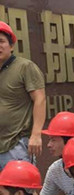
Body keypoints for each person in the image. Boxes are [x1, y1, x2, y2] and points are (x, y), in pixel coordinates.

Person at [0, 21, 46, 171]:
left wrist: (36, 134)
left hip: (16, 144)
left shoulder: (25, 67)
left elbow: (40, 99)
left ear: (11, 45)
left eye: (1, 41)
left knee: (24, 192)